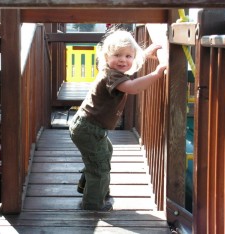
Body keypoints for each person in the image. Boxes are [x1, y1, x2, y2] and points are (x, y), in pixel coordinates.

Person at [69, 29, 167, 211]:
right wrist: (156, 75)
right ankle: (92, 204)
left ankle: (89, 187)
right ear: (106, 57)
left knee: (103, 154)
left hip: (89, 127)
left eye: (129, 56)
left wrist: (145, 54)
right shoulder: (111, 75)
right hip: (88, 129)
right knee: (99, 166)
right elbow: (132, 87)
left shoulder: (113, 69)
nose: (123, 60)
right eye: (117, 55)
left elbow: (131, 65)